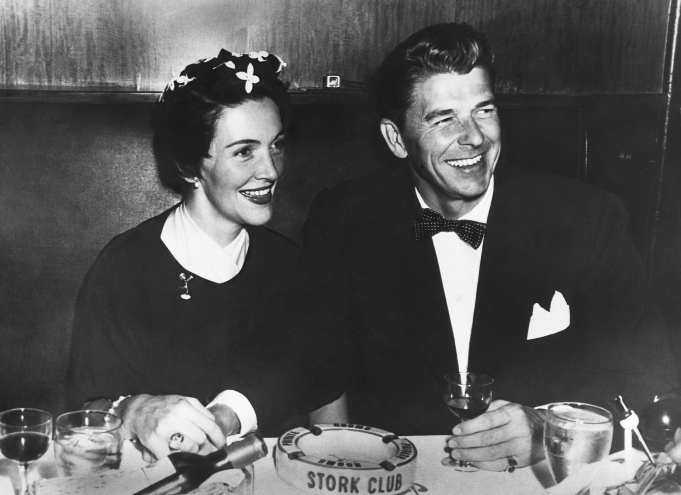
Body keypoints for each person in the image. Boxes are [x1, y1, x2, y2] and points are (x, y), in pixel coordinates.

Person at [299, 23, 678, 471]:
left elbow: (648, 379)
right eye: (444, 119)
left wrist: (549, 428)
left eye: (484, 110)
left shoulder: (586, 220)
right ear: (396, 139)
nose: (474, 137)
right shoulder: (344, 220)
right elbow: (324, 373)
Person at [65, 48, 346, 461]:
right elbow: (82, 418)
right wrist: (131, 410)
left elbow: (330, 413)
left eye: (277, 145)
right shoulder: (125, 268)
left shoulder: (295, 268)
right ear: (189, 167)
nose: (270, 170)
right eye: (244, 151)